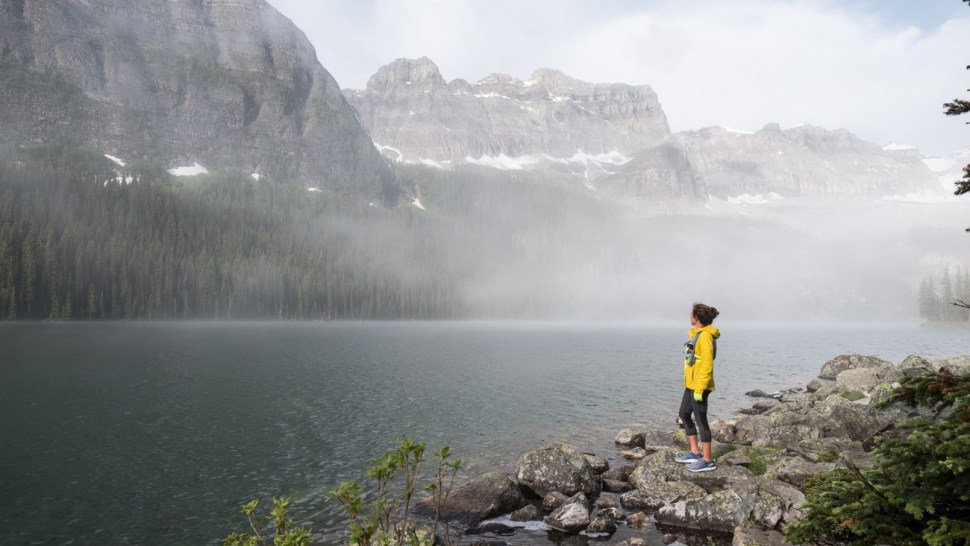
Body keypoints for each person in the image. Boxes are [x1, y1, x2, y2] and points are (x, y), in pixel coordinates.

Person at [675, 303, 721, 472]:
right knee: (684, 414)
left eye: (691, 314)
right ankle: (695, 453)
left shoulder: (705, 337)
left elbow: (707, 365)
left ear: (697, 318)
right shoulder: (698, 335)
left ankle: (708, 460)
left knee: (701, 420)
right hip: (691, 385)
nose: (689, 317)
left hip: (699, 387)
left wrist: (700, 390)